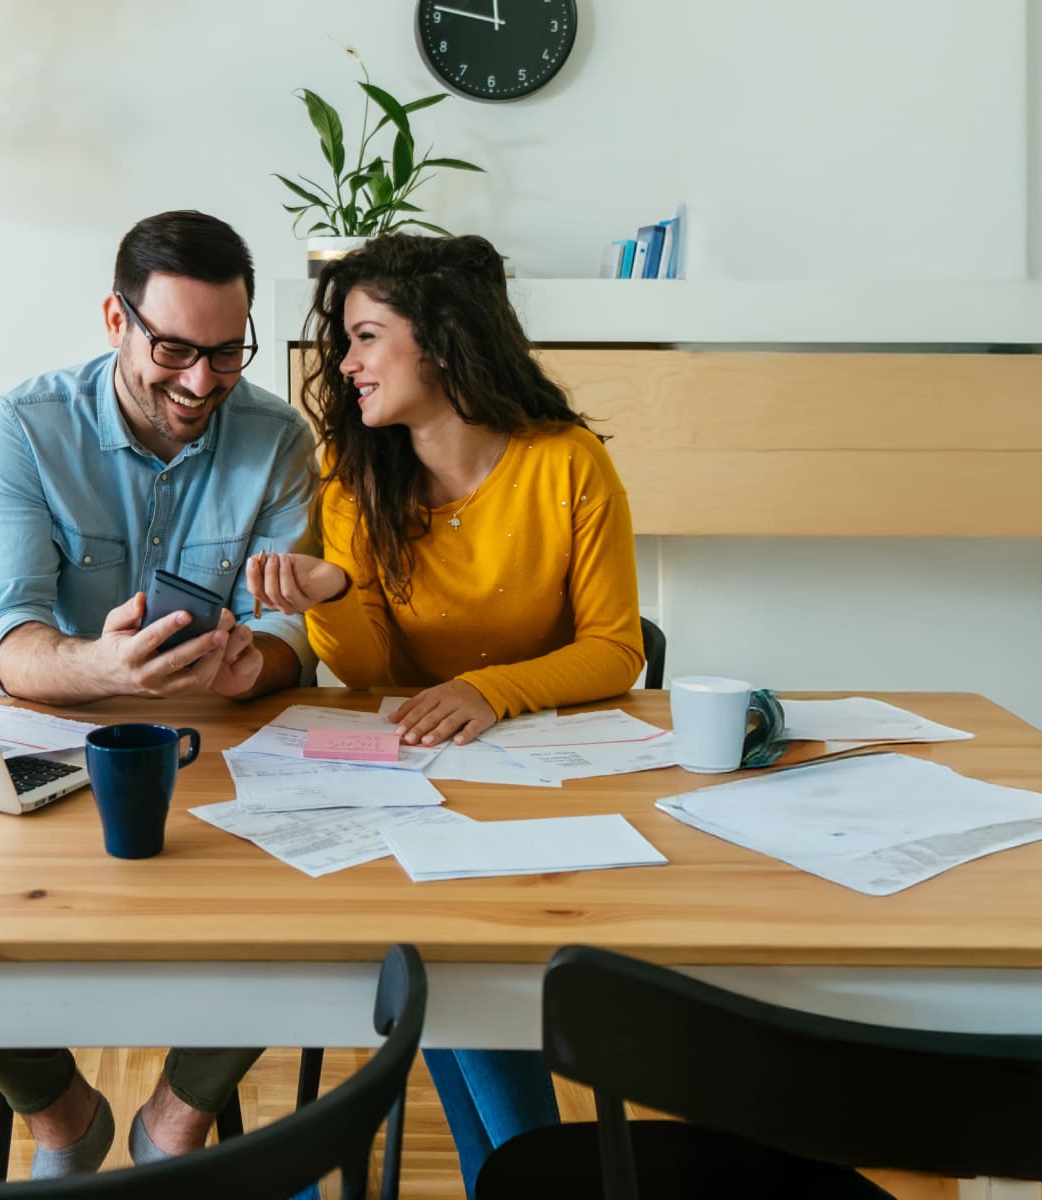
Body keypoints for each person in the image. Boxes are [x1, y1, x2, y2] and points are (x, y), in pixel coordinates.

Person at [246, 231, 644, 1197]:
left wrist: (489, 689)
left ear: (443, 341)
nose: (346, 363)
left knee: (437, 958)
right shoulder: (355, 470)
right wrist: (335, 591)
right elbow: (366, 679)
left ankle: (515, 1177)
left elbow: (618, 649)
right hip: (406, 786)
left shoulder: (568, 465)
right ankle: (526, 1179)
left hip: (536, 789)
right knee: (434, 950)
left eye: (367, 336)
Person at [0, 210, 318, 1178]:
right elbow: (2, 639)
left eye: (225, 354)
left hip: (216, 751)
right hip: (47, 741)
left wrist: (262, 666)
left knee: (310, 916)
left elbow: (292, 636)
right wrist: (100, 670)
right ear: (114, 320)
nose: (200, 383)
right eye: (172, 350)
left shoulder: (280, 439)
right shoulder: (23, 429)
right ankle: (60, 1111)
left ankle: (178, 1118)